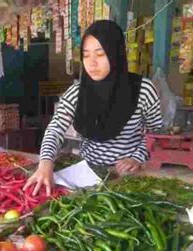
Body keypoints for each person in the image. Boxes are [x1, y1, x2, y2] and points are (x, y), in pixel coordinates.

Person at [24, 20, 163, 196]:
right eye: (86, 55)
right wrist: (45, 163)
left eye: (100, 54)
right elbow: (55, 128)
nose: (92, 63)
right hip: (87, 172)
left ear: (115, 54)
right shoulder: (77, 92)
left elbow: (157, 133)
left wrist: (136, 157)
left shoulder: (143, 90)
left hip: (129, 175)